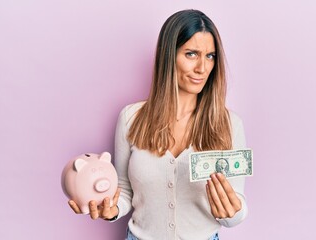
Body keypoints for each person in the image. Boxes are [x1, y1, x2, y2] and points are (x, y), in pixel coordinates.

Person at [69, 9, 248, 240]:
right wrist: (111, 210)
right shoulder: (131, 118)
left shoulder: (230, 124)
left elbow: (238, 203)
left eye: (210, 56)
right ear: (168, 55)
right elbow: (124, 191)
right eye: (191, 54)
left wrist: (232, 213)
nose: (202, 68)